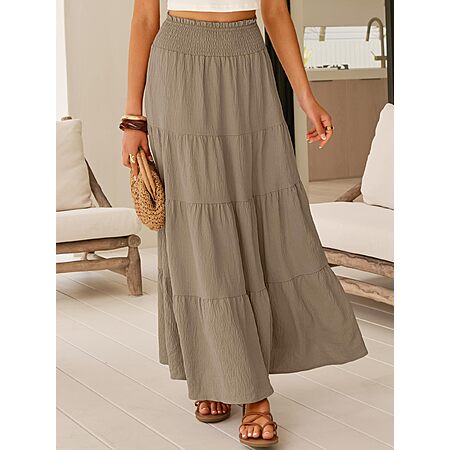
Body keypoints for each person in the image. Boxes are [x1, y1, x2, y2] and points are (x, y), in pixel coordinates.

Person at [120, 0, 368, 447]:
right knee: (200, 228)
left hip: (247, 63)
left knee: (260, 215)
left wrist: (306, 98)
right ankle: (242, 387)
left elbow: (275, 13)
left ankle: (227, 373)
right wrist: (132, 118)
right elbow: (144, 18)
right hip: (179, 66)